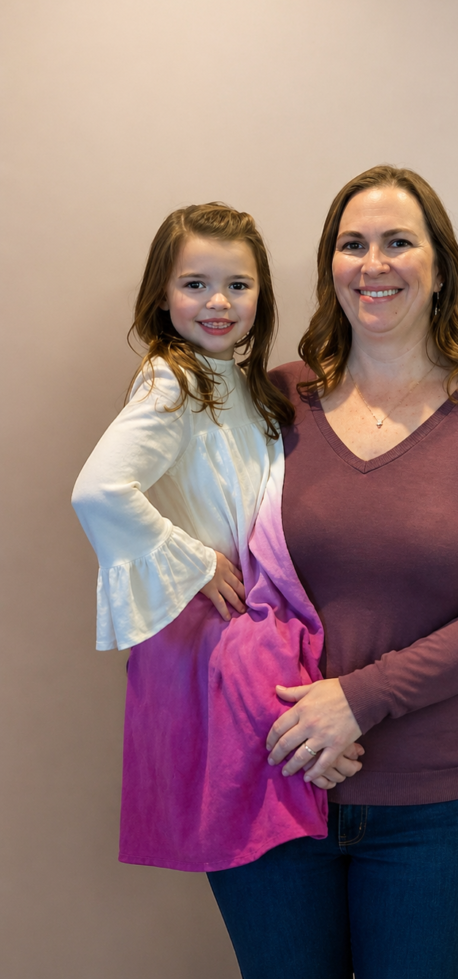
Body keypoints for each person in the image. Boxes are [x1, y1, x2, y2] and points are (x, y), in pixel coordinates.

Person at [204, 166, 458, 979]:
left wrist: (355, 703)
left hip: (442, 811)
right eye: (352, 244)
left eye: (399, 243)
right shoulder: (269, 403)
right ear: (330, 266)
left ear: (439, 267)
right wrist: (286, 722)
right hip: (275, 782)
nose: (375, 263)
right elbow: (218, 593)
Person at [72, 202, 361, 874]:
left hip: (245, 622)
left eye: (238, 284)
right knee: (256, 806)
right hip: (216, 628)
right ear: (162, 295)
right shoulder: (174, 380)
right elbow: (98, 490)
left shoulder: (234, 378)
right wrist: (196, 561)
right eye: (195, 284)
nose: (218, 302)